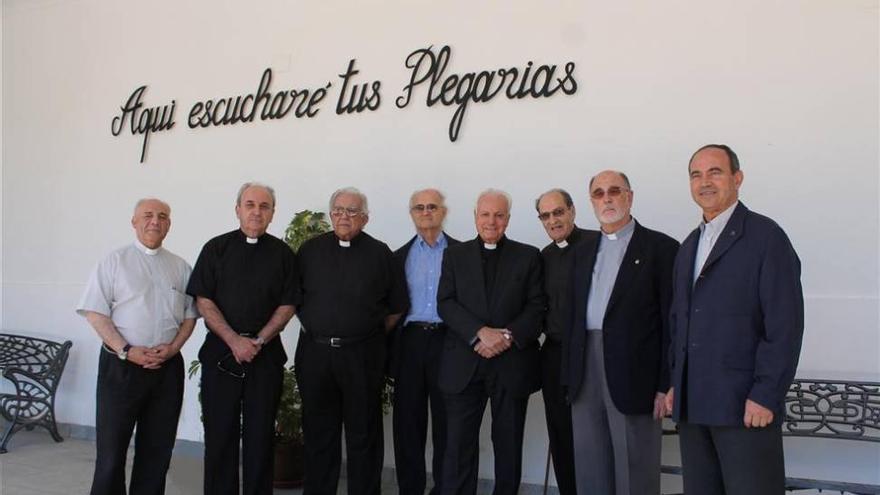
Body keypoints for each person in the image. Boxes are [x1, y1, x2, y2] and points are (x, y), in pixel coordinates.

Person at [665, 144, 804, 495]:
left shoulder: (766, 238)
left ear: (737, 178)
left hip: (744, 406)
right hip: (694, 405)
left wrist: (766, 393)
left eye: (715, 172)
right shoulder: (688, 246)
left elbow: (784, 325)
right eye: (696, 175)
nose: (704, 182)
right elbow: (679, 322)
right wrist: (674, 383)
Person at [565, 171, 678, 494]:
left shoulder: (661, 248)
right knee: (590, 464)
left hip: (636, 372)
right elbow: (572, 316)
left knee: (635, 466)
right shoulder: (581, 252)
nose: (607, 198)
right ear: (591, 202)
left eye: (614, 191)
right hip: (585, 368)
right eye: (599, 193)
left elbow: (673, 321)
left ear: (629, 196)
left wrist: (665, 383)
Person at [77, 198, 198, 495]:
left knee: (157, 451)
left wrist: (173, 349)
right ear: (134, 222)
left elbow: (189, 317)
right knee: (111, 452)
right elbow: (95, 312)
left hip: (166, 369)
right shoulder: (114, 261)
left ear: (169, 224)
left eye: (162, 216)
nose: (155, 221)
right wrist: (126, 350)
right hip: (121, 366)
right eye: (147, 215)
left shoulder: (181, 267)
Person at [186, 182, 300, 495]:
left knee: (260, 437)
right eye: (250, 204)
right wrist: (234, 340)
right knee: (220, 435)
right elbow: (203, 300)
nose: (256, 211)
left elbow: (288, 304)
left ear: (272, 213)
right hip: (221, 357)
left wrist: (259, 340)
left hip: (265, 359)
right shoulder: (215, 249)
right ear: (238, 209)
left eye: (264, 206)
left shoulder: (283, 255)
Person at [295, 187, 407, 495]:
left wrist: (364, 334)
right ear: (331, 215)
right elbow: (294, 299)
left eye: (353, 211)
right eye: (339, 210)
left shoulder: (381, 253)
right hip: (316, 354)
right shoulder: (309, 251)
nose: (345, 216)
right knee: (319, 432)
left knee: (364, 433)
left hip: (362, 356)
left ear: (366, 219)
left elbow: (397, 307)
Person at [437, 189, 544, 495]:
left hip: (510, 365)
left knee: (508, 446)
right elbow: (446, 302)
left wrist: (506, 336)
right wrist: (479, 333)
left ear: (508, 219)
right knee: (458, 447)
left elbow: (537, 306)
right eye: (485, 214)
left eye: (499, 215)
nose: (491, 221)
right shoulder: (454, 255)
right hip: (464, 364)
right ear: (475, 217)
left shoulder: (528, 256)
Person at [391, 188, 459, 495]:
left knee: (449, 424)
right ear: (411, 214)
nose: (426, 211)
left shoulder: (462, 253)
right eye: (419, 207)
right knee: (408, 425)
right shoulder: (397, 257)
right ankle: (411, 489)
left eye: (433, 206)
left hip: (449, 343)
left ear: (444, 212)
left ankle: (445, 489)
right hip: (410, 344)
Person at [533, 188, 596, 495]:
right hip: (555, 353)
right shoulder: (543, 256)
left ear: (572, 211)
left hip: (592, 353)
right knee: (561, 432)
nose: (553, 220)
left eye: (558, 212)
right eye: (546, 215)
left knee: (594, 433)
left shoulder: (598, 245)